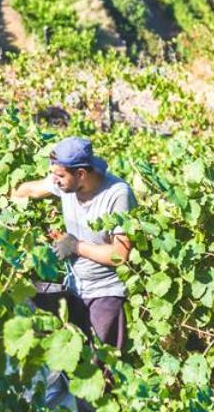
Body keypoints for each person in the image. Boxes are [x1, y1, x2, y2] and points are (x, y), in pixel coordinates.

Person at [11, 137, 135, 350]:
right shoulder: (65, 182)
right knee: (75, 361)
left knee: (100, 365)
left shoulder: (117, 194)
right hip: (75, 287)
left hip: (105, 295)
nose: (54, 180)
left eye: (59, 176)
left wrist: (76, 247)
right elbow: (31, 190)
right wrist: (3, 197)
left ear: (81, 174)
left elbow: (120, 254)